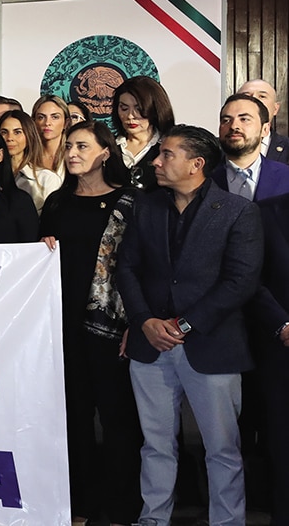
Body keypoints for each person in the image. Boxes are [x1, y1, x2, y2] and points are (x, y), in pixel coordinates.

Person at [116, 125, 262, 526]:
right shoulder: (147, 206)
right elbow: (125, 267)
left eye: (166, 154)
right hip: (150, 346)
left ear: (197, 164)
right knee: (155, 445)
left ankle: (227, 522)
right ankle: (153, 519)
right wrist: (144, 320)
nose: (157, 162)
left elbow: (240, 281)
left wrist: (182, 325)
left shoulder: (238, 211)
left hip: (212, 346)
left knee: (222, 448)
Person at [39, 120, 143, 525]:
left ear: (105, 152)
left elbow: (139, 266)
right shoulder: (56, 203)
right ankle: (79, 504)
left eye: (82, 145)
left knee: (117, 420)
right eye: (68, 146)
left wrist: (136, 319)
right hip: (61, 327)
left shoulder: (131, 202)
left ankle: (121, 508)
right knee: (73, 419)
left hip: (112, 330)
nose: (72, 152)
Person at [251, 192, 289, 524]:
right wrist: (283, 324)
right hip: (281, 351)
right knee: (282, 446)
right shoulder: (265, 213)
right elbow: (253, 280)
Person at [213, 93, 289, 201]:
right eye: (226, 120)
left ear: (265, 129)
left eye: (244, 119)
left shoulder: (285, 177)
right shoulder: (201, 177)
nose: (234, 126)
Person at [111, 76, 175, 191]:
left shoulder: (169, 148)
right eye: (124, 108)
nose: (130, 116)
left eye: (139, 109)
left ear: (155, 109)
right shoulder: (107, 147)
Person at [0, 110, 62, 213]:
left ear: (29, 135)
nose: (10, 138)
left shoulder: (47, 179)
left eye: (17, 132)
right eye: (4, 132)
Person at [238, 78, 289, 164]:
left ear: (275, 109)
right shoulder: (216, 148)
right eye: (246, 96)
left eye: (262, 96)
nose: (254, 99)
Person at [33, 94, 71, 174]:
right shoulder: (27, 156)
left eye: (55, 117)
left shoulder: (73, 155)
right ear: (34, 122)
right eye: (41, 117)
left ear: (66, 123)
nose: (47, 123)